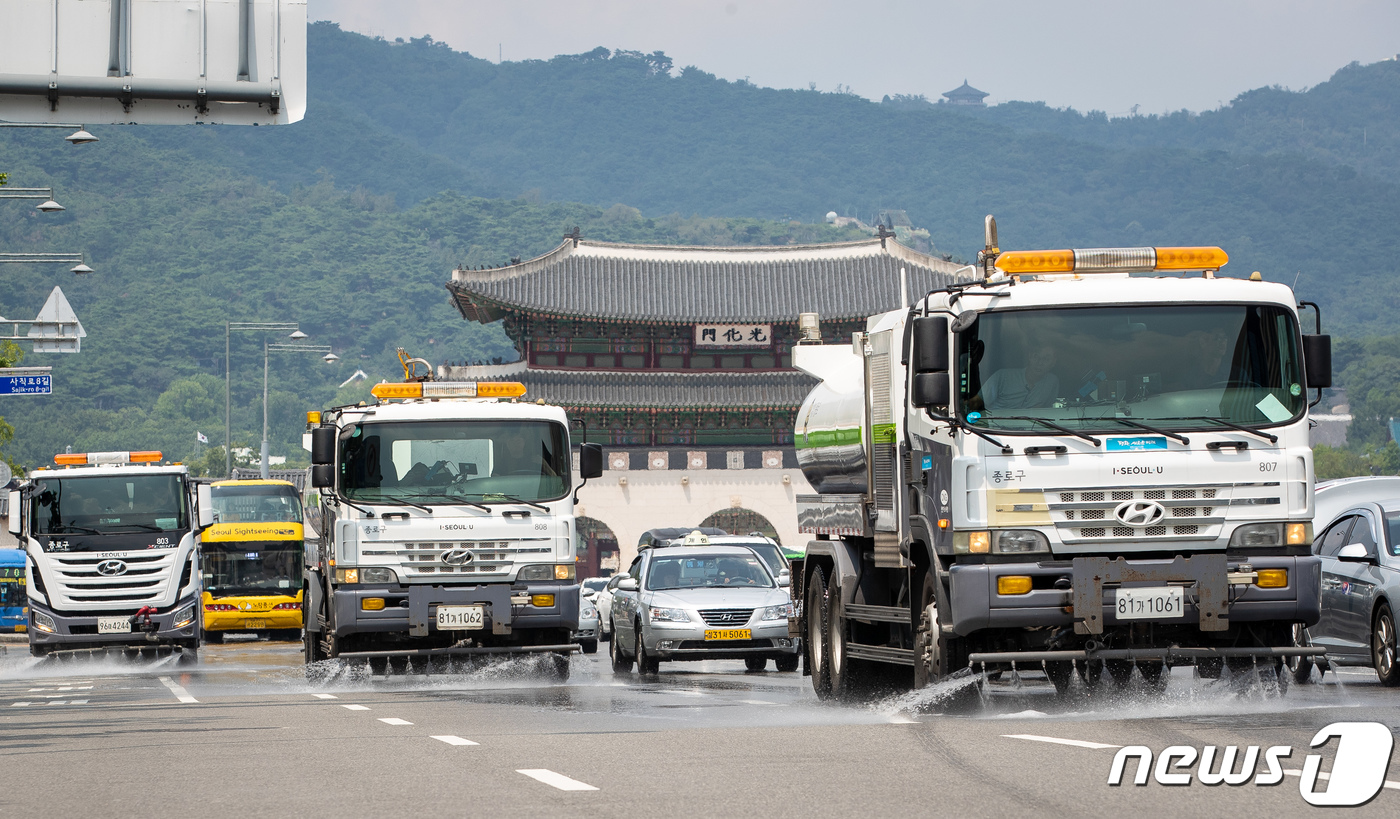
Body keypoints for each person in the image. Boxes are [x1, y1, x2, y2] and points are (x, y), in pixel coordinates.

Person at [980, 345, 1060, 410]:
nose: (1040, 362)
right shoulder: (1002, 376)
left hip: (1032, 428)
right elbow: (976, 405)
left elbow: (1047, 409)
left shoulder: (1052, 382)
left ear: (1053, 363)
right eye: (1036, 356)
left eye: (1046, 359)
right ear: (1029, 357)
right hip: (994, 426)